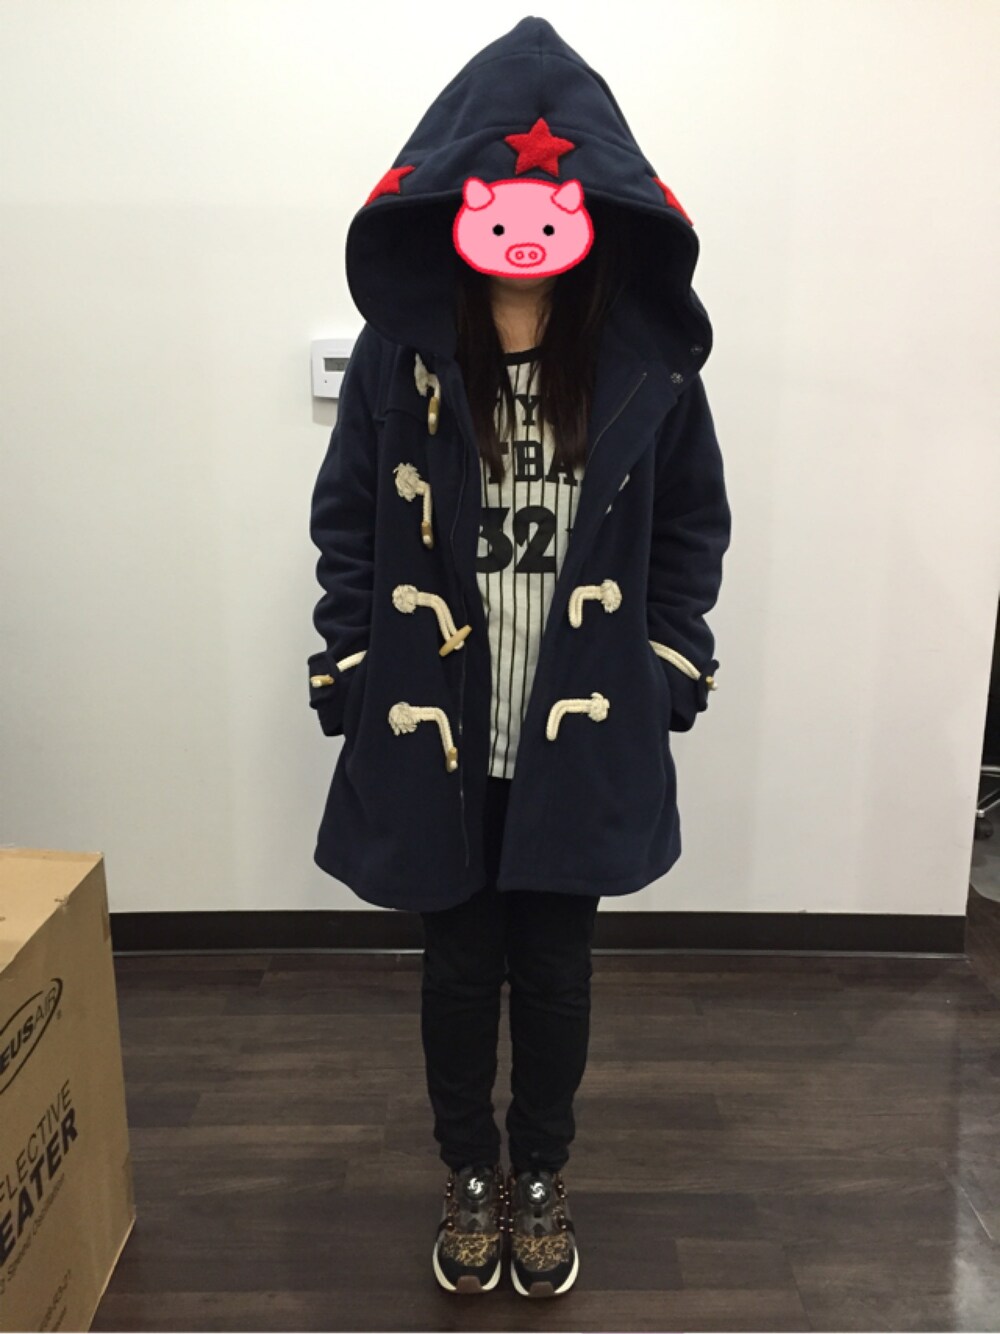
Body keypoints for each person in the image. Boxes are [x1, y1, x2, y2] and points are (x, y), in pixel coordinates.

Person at [307, 17, 731, 1300]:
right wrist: (347, 662)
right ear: (460, 203)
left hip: (576, 729)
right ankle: (467, 1170)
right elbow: (347, 522)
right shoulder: (402, 358)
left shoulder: (646, 366)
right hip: (441, 719)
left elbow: (691, 525)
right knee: (455, 966)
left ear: (591, 205)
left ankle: (540, 1168)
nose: (529, 228)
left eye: (554, 202)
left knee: (553, 969)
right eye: (503, 203)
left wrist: (665, 663)